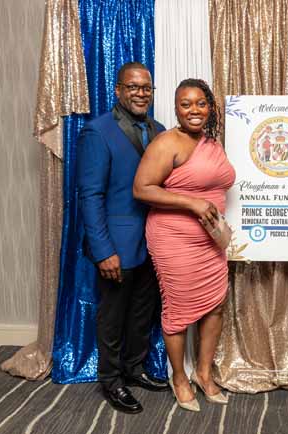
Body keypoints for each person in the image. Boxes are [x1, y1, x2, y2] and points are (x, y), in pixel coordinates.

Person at [133, 78, 236, 412]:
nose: (194, 110)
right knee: (178, 313)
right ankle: (179, 377)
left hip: (211, 241)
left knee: (216, 305)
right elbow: (142, 189)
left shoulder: (212, 142)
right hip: (174, 239)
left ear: (210, 107)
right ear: (176, 108)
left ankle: (204, 374)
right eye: (185, 104)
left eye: (200, 103)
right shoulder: (167, 142)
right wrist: (191, 203)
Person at [76, 62, 168, 414]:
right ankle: (111, 381)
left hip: (152, 243)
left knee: (143, 313)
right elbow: (90, 195)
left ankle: (135, 368)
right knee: (112, 316)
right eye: (133, 87)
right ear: (118, 90)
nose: (140, 93)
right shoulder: (97, 132)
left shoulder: (159, 131)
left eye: (146, 87)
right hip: (115, 244)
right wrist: (103, 251)